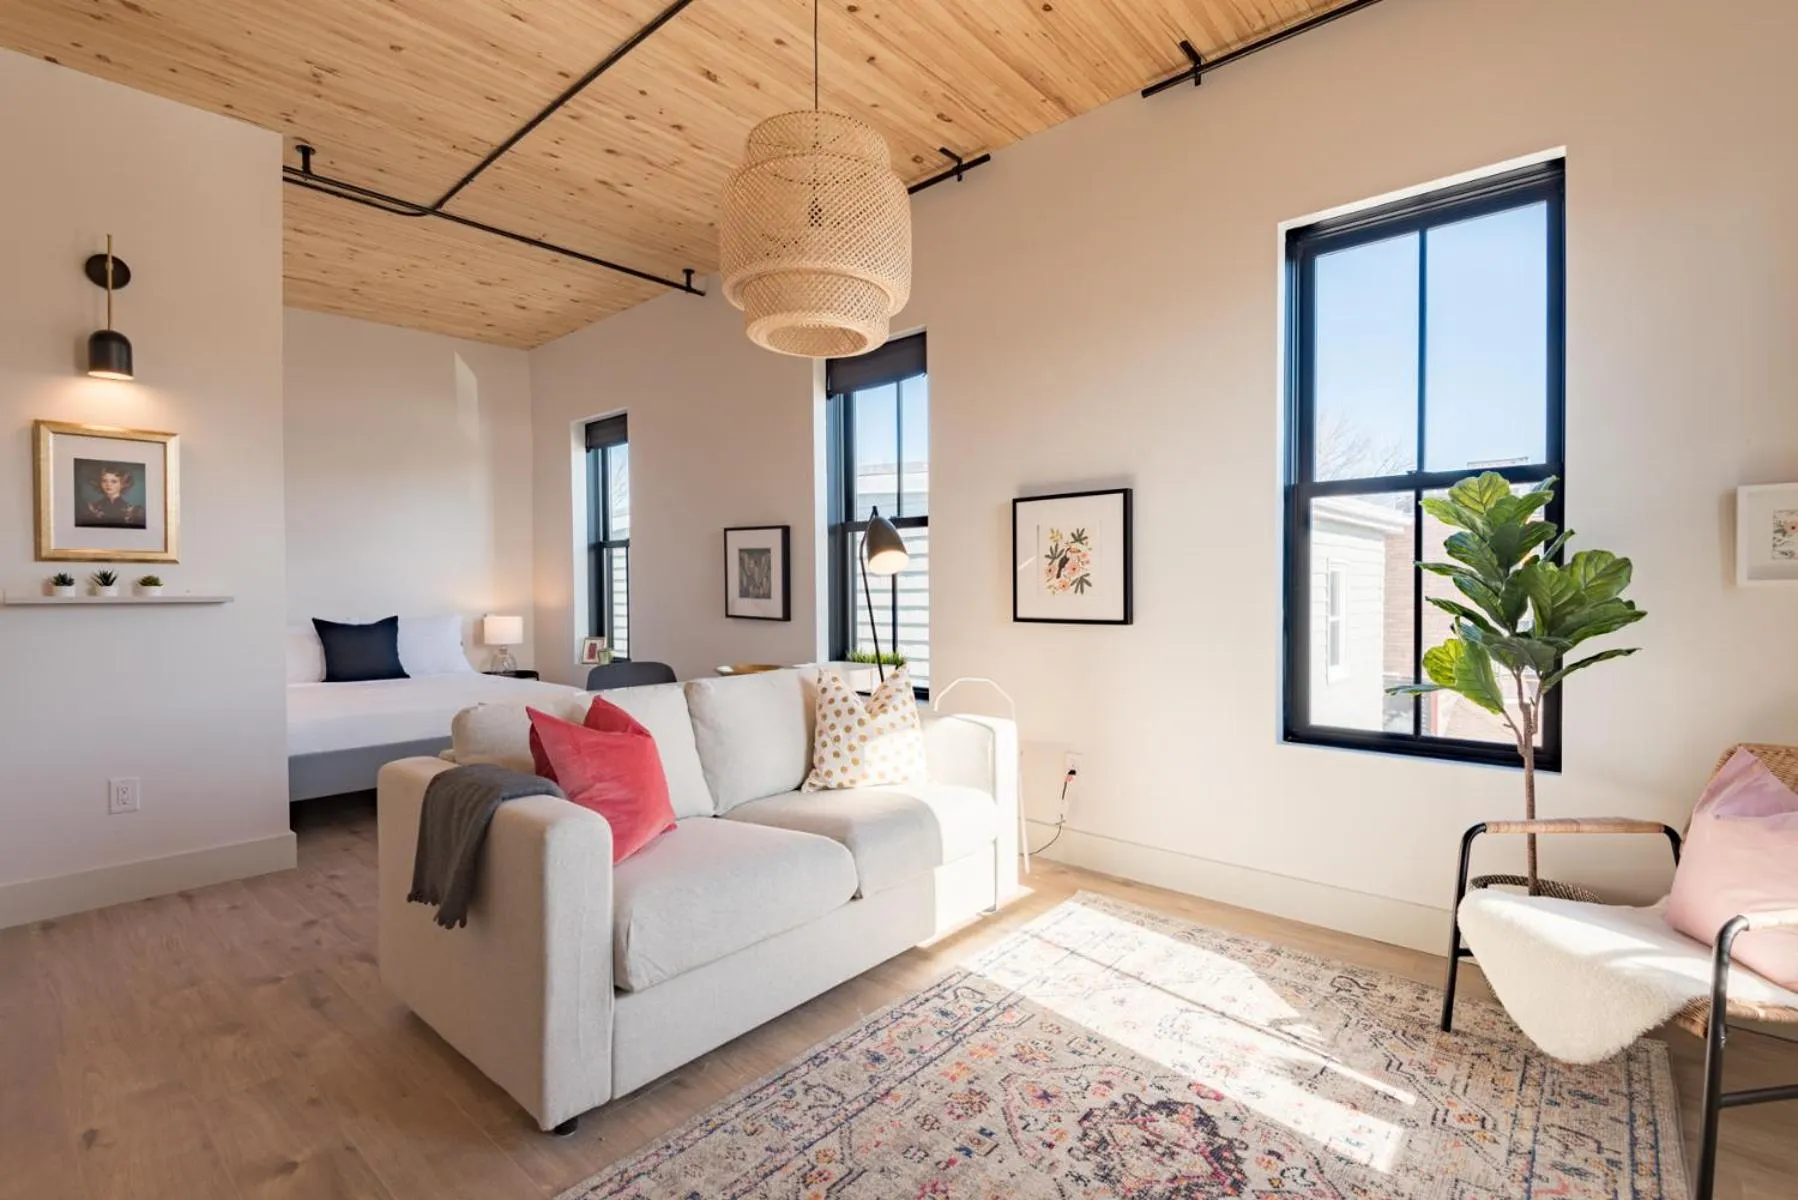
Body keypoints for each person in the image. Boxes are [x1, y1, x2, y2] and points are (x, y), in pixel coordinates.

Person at [77, 463, 146, 528]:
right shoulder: (90, 509)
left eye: (114, 481)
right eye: (104, 481)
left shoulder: (134, 511)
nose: (108, 485)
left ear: (123, 484)